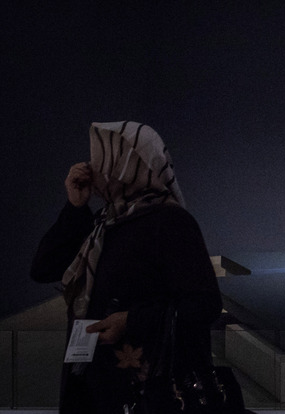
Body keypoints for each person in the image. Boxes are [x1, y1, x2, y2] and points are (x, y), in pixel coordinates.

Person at [31, 121, 223, 413]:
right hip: (95, 383)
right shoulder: (106, 221)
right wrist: (75, 207)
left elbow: (205, 305)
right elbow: (43, 268)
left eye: (101, 158)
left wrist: (131, 321)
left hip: (145, 392)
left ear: (126, 165)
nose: (91, 167)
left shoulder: (171, 223)